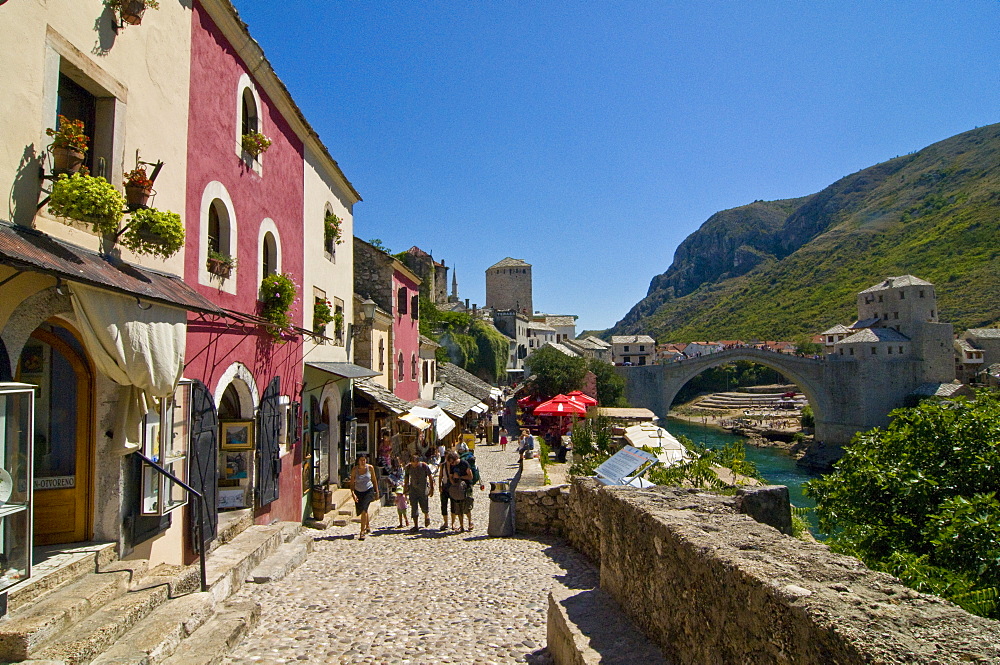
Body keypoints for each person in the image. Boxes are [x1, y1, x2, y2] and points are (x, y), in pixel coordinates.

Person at [349, 453, 380, 540]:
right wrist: (353, 494)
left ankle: (362, 532)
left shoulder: (370, 468)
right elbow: (352, 483)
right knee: (362, 509)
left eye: (364, 460)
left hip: (368, 490)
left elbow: (374, 480)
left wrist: (376, 491)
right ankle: (367, 525)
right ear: (358, 461)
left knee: (364, 509)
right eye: (361, 460)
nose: (363, 462)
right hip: (358, 491)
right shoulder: (355, 470)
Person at [403, 453, 434, 532]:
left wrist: (432, 488)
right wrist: (405, 488)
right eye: (413, 462)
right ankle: (415, 525)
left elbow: (430, 476)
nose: (415, 464)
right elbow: (406, 478)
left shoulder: (424, 466)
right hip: (413, 489)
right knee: (414, 506)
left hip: (422, 489)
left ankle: (426, 516)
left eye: (416, 462)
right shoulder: (408, 468)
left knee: (424, 504)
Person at [447, 451, 474, 532]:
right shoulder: (452, 466)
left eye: (452, 462)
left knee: (466, 507)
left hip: (467, 488)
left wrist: (460, 477)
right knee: (458, 508)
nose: (451, 464)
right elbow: (451, 476)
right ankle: (461, 526)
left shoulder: (464, 463)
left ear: (456, 459)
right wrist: (454, 484)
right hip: (457, 488)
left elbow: (470, 476)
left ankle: (470, 522)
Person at [438, 449, 455, 531]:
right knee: (443, 505)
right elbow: (440, 475)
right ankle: (446, 522)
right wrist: (439, 486)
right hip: (444, 486)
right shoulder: (443, 465)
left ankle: (453, 523)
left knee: (453, 505)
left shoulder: (453, 465)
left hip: (452, 487)